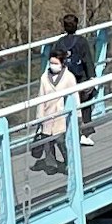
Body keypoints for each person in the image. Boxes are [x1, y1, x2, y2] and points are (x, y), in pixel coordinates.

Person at [35, 45, 81, 179]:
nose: (53, 65)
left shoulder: (69, 77)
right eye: (51, 62)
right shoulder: (44, 78)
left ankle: (69, 162)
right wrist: (39, 117)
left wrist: (77, 115)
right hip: (47, 114)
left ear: (62, 63)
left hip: (61, 114)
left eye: (56, 63)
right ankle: (51, 164)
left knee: (61, 140)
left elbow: (75, 97)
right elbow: (40, 97)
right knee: (47, 141)